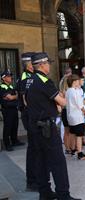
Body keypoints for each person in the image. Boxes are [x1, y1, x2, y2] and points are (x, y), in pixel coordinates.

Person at [26, 52, 80, 200]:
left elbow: (27, 101)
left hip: (34, 125)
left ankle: (45, 193)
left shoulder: (30, 80)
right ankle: (64, 195)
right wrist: (61, 101)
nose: (49, 65)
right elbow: (62, 102)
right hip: (46, 127)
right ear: (42, 65)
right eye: (48, 63)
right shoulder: (44, 81)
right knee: (58, 162)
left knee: (41, 161)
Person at [17, 52, 36, 190]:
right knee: (33, 148)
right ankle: (32, 181)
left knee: (36, 148)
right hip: (30, 116)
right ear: (29, 65)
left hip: (33, 115)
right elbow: (25, 100)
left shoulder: (31, 76)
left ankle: (36, 178)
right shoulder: (25, 78)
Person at [66, 74, 85, 160]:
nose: (79, 82)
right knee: (79, 135)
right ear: (74, 82)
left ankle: (73, 150)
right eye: (77, 81)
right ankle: (80, 153)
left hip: (71, 116)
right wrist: (84, 111)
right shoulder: (74, 91)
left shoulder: (68, 91)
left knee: (72, 132)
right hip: (77, 116)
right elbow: (79, 103)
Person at [0, 70, 20, 151]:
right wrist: (14, 96)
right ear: (3, 78)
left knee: (15, 125)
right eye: (8, 76)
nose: (10, 77)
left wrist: (13, 97)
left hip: (14, 108)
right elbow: (10, 97)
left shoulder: (11, 87)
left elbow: (12, 97)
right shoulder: (2, 87)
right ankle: (7, 144)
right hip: (7, 110)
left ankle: (14, 141)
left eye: (10, 76)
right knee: (8, 127)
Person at [58, 68, 72, 154]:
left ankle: (69, 147)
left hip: (67, 110)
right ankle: (68, 147)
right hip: (66, 110)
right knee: (67, 130)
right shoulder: (65, 91)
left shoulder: (64, 89)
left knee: (68, 130)